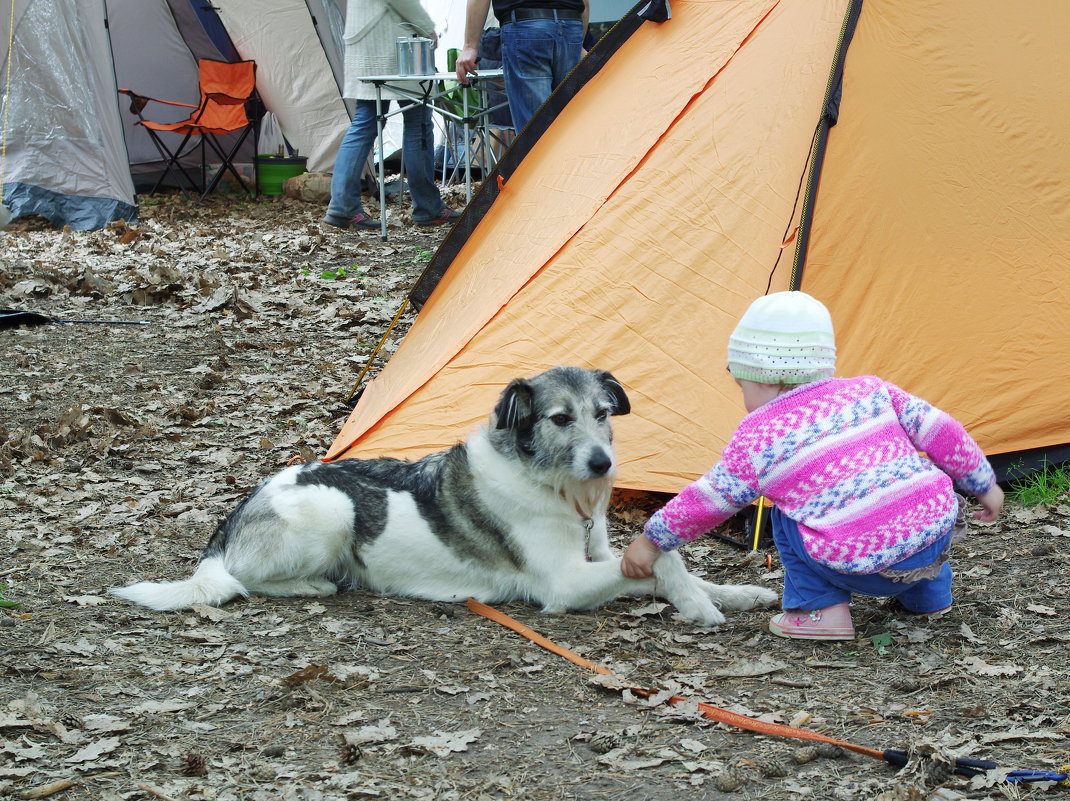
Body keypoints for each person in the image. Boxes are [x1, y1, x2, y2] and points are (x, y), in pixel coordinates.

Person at [620, 291, 1004, 641]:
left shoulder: (758, 439)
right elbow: (942, 431)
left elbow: (709, 500)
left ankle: (819, 611)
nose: (744, 399)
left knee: (786, 513)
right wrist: (983, 484)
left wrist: (652, 541)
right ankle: (930, 598)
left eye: (742, 386)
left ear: (765, 377)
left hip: (862, 564)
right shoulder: (872, 391)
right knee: (901, 497)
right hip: (935, 537)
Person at [323, 0, 462, 231]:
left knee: (365, 122)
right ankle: (428, 206)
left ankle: (343, 206)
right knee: (417, 119)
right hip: (391, 38)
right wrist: (426, 27)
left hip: (368, 36)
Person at [456, 0, 588, 134]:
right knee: (570, 123)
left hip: (526, 26)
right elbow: (585, 2)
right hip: (571, 24)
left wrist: (470, 46)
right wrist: (580, 43)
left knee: (537, 131)